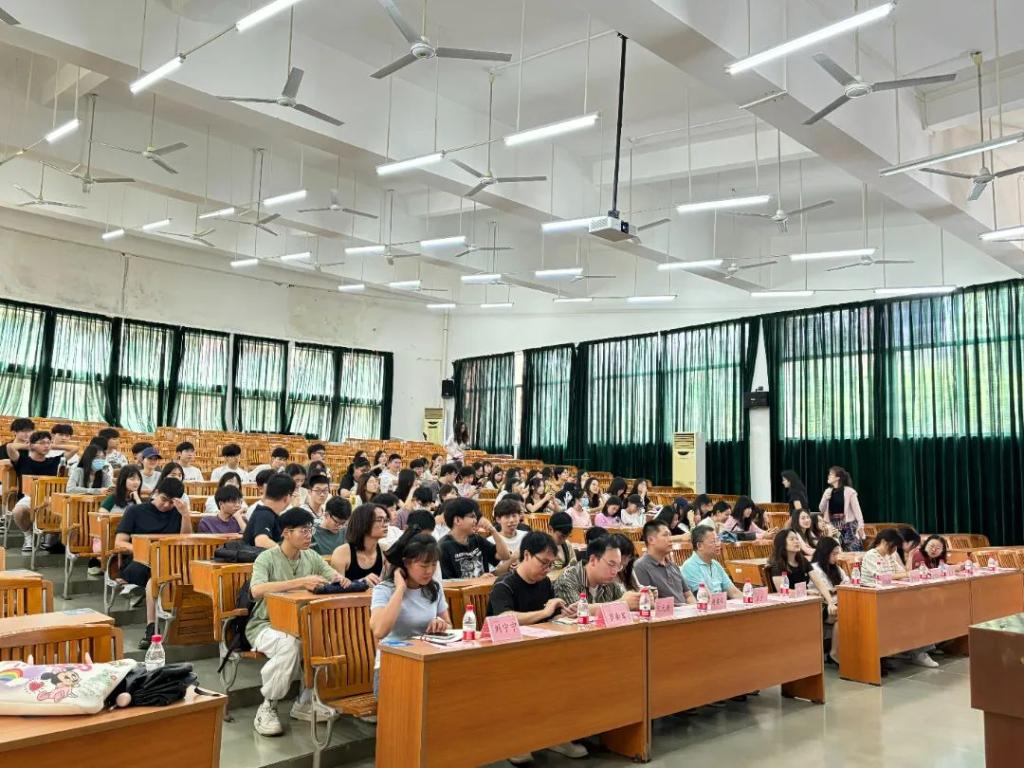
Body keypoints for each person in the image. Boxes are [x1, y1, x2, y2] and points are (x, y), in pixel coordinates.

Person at [248, 507, 341, 736]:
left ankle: (305, 701)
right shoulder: (266, 558)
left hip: (303, 625)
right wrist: (300, 582)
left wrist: (346, 581)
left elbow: (334, 577)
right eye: (304, 531)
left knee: (328, 640)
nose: (309, 536)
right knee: (290, 644)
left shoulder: (311, 556)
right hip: (265, 625)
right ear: (286, 533)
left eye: (310, 530)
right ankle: (268, 705)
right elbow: (256, 590)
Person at [370, 528, 451, 696]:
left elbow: (450, 626)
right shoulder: (384, 590)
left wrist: (441, 624)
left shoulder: (434, 588)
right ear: (405, 563)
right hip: (393, 666)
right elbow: (379, 631)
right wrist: (400, 588)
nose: (429, 571)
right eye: (423, 566)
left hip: (427, 661)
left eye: (434, 565)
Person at [115, 477, 193, 649]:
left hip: (167, 563)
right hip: (138, 562)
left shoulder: (177, 513)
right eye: (164, 499)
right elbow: (119, 543)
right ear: (156, 492)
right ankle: (152, 626)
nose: (166, 505)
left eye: (171, 502)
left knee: (160, 576)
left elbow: (186, 540)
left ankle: (158, 628)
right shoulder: (136, 511)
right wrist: (145, 550)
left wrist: (185, 515)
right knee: (156, 576)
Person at [861, 529, 938, 668]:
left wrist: (911, 573)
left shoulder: (889, 556)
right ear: (883, 542)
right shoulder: (871, 555)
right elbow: (882, 577)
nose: (894, 550)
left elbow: (901, 573)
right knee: (914, 612)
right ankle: (916, 652)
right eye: (893, 546)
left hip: (890, 597)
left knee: (923, 607)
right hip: (873, 599)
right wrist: (907, 574)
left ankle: (917, 650)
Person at [6, 430, 78, 551]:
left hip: (51, 498)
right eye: (42, 443)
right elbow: (10, 447)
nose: (46, 446)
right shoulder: (22, 460)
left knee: (66, 509)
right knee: (18, 511)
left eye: (48, 443)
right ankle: (28, 536)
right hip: (29, 497)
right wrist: (30, 445)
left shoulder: (55, 461)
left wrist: (52, 445)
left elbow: (74, 448)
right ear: (32, 445)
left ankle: (50, 535)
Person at [553, 535, 641, 609]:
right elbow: (577, 611)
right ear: (593, 560)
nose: (615, 572)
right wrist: (620, 604)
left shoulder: (610, 583)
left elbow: (627, 601)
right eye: (611, 564)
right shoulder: (568, 580)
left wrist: (640, 599)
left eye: (618, 566)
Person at [438, 497, 511, 579]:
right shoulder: (443, 547)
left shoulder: (476, 539)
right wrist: (478, 581)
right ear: (457, 520)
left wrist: (493, 530)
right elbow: (448, 583)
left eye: (476, 517)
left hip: (484, 587)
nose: (475, 521)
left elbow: (505, 556)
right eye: (472, 516)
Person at [634, 520, 695, 605]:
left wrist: (693, 608)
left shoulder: (673, 566)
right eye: (665, 535)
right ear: (651, 540)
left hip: (685, 611)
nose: (670, 539)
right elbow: (646, 601)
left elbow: (688, 595)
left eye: (670, 535)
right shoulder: (640, 567)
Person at [330, 502, 387, 586]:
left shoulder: (385, 551)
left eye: (386, 520)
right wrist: (361, 582)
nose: (385, 524)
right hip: (349, 595)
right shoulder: (342, 553)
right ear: (364, 523)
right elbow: (336, 589)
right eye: (379, 520)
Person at [811, 537, 848, 665]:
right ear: (824, 552)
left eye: (837, 553)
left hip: (837, 602)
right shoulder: (814, 568)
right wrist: (834, 590)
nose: (836, 557)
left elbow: (847, 582)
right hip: (821, 605)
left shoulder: (836, 568)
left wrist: (840, 588)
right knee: (843, 616)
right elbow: (824, 590)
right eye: (834, 554)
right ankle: (834, 653)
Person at [681, 525, 742, 598]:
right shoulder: (690, 566)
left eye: (718, 540)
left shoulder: (716, 564)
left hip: (720, 603)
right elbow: (705, 597)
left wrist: (749, 600)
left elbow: (734, 592)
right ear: (699, 546)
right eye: (713, 542)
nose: (718, 544)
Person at [242, 474, 298, 549]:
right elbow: (261, 541)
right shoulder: (264, 514)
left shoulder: (270, 514)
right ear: (287, 498)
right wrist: (285, 552)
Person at [819, 466, 865, 551]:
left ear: (837, 478)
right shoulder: (828, 491)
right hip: (833, 526)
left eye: (830, 474)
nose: (828, 476)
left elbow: (858, 512)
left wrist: (860, 526)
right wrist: (825, 498)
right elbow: (821, 509)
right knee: (835, 549)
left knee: (851, 550)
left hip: (849, 527)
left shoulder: (849, 491)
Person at [491, 498, 528, 563]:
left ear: (519, 517)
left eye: (514, 516)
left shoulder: (526, 536)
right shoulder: (491, 541)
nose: (511, 520)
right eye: (507, 517)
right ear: (498, 519)